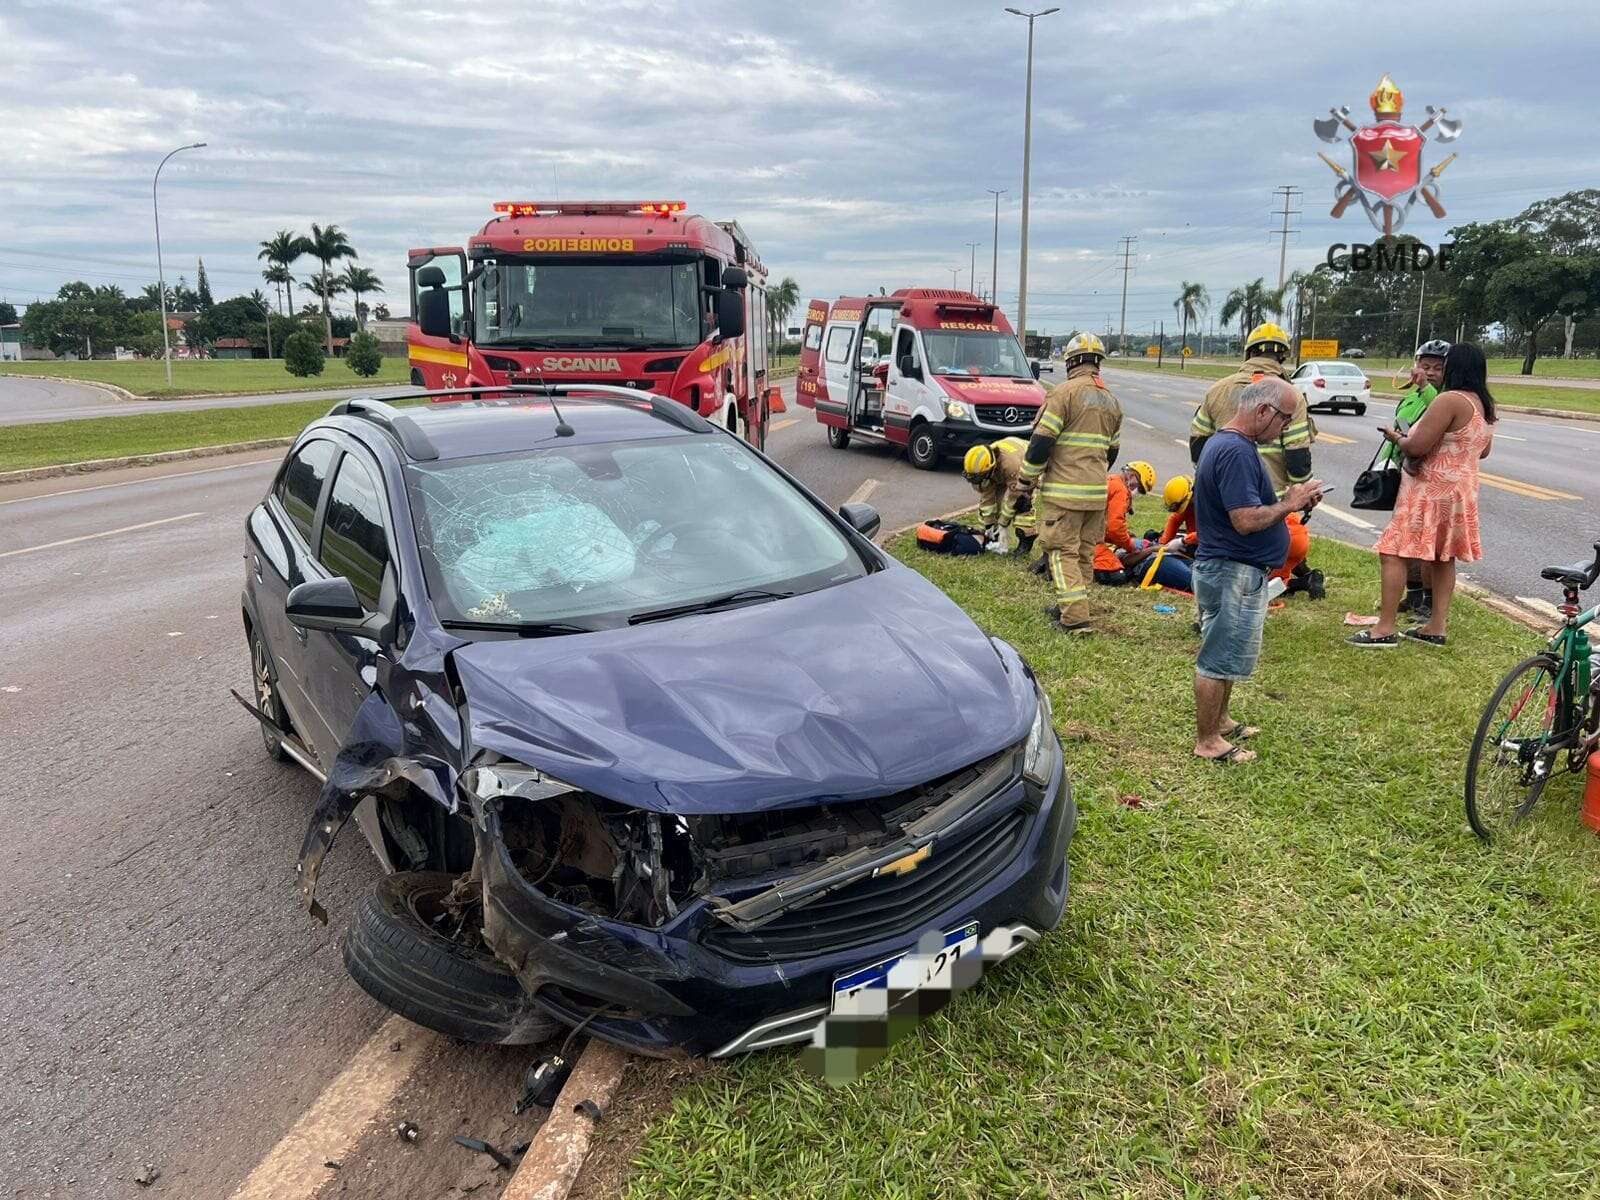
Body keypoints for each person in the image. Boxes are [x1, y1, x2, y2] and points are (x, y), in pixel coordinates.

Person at [1192, 378, 1324, 763]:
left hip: (1236, 568)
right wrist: (1291, 503)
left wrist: (1287, 501)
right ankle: (1208, 741)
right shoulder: (1234, 450)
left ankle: (1222, 721)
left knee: (1229, 651)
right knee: (1218, 656)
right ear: (1263, 411)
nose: (1285, 429)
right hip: (1231, 569)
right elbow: (1246, 520)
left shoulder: (1233, 445)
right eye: (1284, 420)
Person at [1348, 343, 1495, 648]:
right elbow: (1483, 451)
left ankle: (1384, 628)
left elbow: (1416, 447)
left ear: (1454, 368)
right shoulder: (1483, 405)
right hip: (1460, 492)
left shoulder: (1449, 400)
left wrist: (1397, 436)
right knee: (1443, 558)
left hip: (1429, 490)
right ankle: (1436, 627)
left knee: (1393, 552)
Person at [1018, 332, 1123, 634]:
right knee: (1084, 552)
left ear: (1071, 362)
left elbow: (1040, 444)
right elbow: (1112, 452)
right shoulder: (1112, 401)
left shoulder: (1063, 394)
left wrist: (1026, 481)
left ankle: (1074, 618)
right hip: (1096, 493)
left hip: (1064, 493)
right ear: (1098, 363)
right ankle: (1074, 604)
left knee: (1061, 552)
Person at [1190, 322, 1313, 495]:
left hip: (1221, 495)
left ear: (1249, 353)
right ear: (1282, 357)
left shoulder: (1217, 389)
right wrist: (1303, 492)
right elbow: (1297, 457)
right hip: (1268, 500)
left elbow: (1198, 444)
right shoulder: (1291, 396)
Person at [1386, 339, 1451, 617]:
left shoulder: (1446, 399)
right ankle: (1412, 595)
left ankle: (1428, 600)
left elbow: (1437, 410)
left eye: (1437, 368)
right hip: (1406, 472)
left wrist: (1426, 387)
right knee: (1406, 541)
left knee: (1429, 544)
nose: (1431, 372)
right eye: (1425, 366)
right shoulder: (1410, 397)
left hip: (1431, 480)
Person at [961, 438, 1036, 555]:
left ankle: (1026, 538)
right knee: (990, 504)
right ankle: (992, 536)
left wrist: (1003, 523)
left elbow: (1016, 496)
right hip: (998, 469)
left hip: (1025, 464)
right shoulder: (984, 462)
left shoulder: (1011, 465)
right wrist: (989, 525)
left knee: (1022, 503)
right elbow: (987, 498)